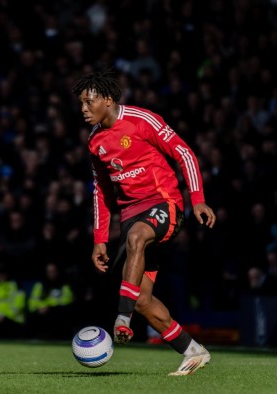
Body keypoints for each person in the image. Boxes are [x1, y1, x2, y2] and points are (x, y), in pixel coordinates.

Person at [72, 71, 216, 376]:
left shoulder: (141, 120)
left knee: (137, 237)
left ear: (108, 99)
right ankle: (193, 351)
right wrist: (99, 239)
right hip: (130, 218)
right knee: (143, 300)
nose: (83, 108)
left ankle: (121, 320)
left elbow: (184, 153)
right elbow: (101, 191)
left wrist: (197, 198)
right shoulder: (95, 140)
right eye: (81, 103)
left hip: (165, 205)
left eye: (89, 101)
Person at [27, 261, 75, 340]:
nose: (51, 274)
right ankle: (38, 337)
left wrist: (49, 306)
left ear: (57, 272)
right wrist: (41, 307)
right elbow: (32, 302)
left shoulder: (64, 284)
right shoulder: (40, 285)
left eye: (53, 271)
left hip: (57, 311)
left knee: (63, 313)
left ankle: (60, 338)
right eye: (49, 272)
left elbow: (67, 299)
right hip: (41, 312)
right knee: (34, 315)